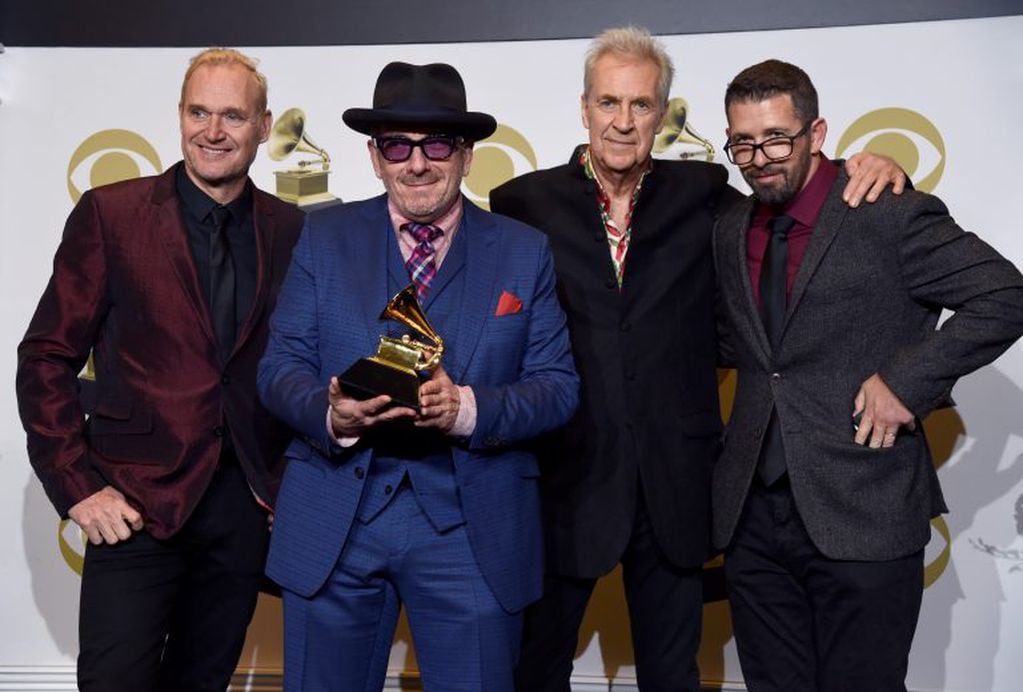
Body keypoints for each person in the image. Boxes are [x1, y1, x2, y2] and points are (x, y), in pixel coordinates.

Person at [490, 26, 907, 692]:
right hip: (564, 482)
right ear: (583, 108)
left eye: (640, 104)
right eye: (607, 103)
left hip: (675, 487)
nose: (622, 122)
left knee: (671, 674)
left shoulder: (705, 192)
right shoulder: (522, 204)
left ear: (662, 112)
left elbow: (800, 209)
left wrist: (878, 165)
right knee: (534, 671)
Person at [257, 61, 578, 692]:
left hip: (471, 528)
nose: (417, 164)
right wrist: (330, 415)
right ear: (375, 158)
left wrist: (466, 409)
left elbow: (557, 385)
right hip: (336, 521)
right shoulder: (321, 237)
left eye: (436, 145)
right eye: (397, 146)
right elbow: (279, 367)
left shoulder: (523, 250)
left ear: (465, 156)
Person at [713, 58, 1023, 691]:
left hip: (866, 511)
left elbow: (1005, 295)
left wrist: (907, 381)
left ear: (818, 133)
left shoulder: (887, 211)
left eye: (777, 137)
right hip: (753, 522)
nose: (759, 157)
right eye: (742, 142)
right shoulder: (727, 229)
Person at [16, 48, 305, 691]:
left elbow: (301, 370)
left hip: (243, 511)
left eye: (233, 115)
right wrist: (78, 485)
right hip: (135, 505)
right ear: (178, 116)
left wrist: (288, 486)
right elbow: (46, 356)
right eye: (198, 112)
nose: (213, 131)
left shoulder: (291, 228)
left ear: (263, 125)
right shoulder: (111, 215)